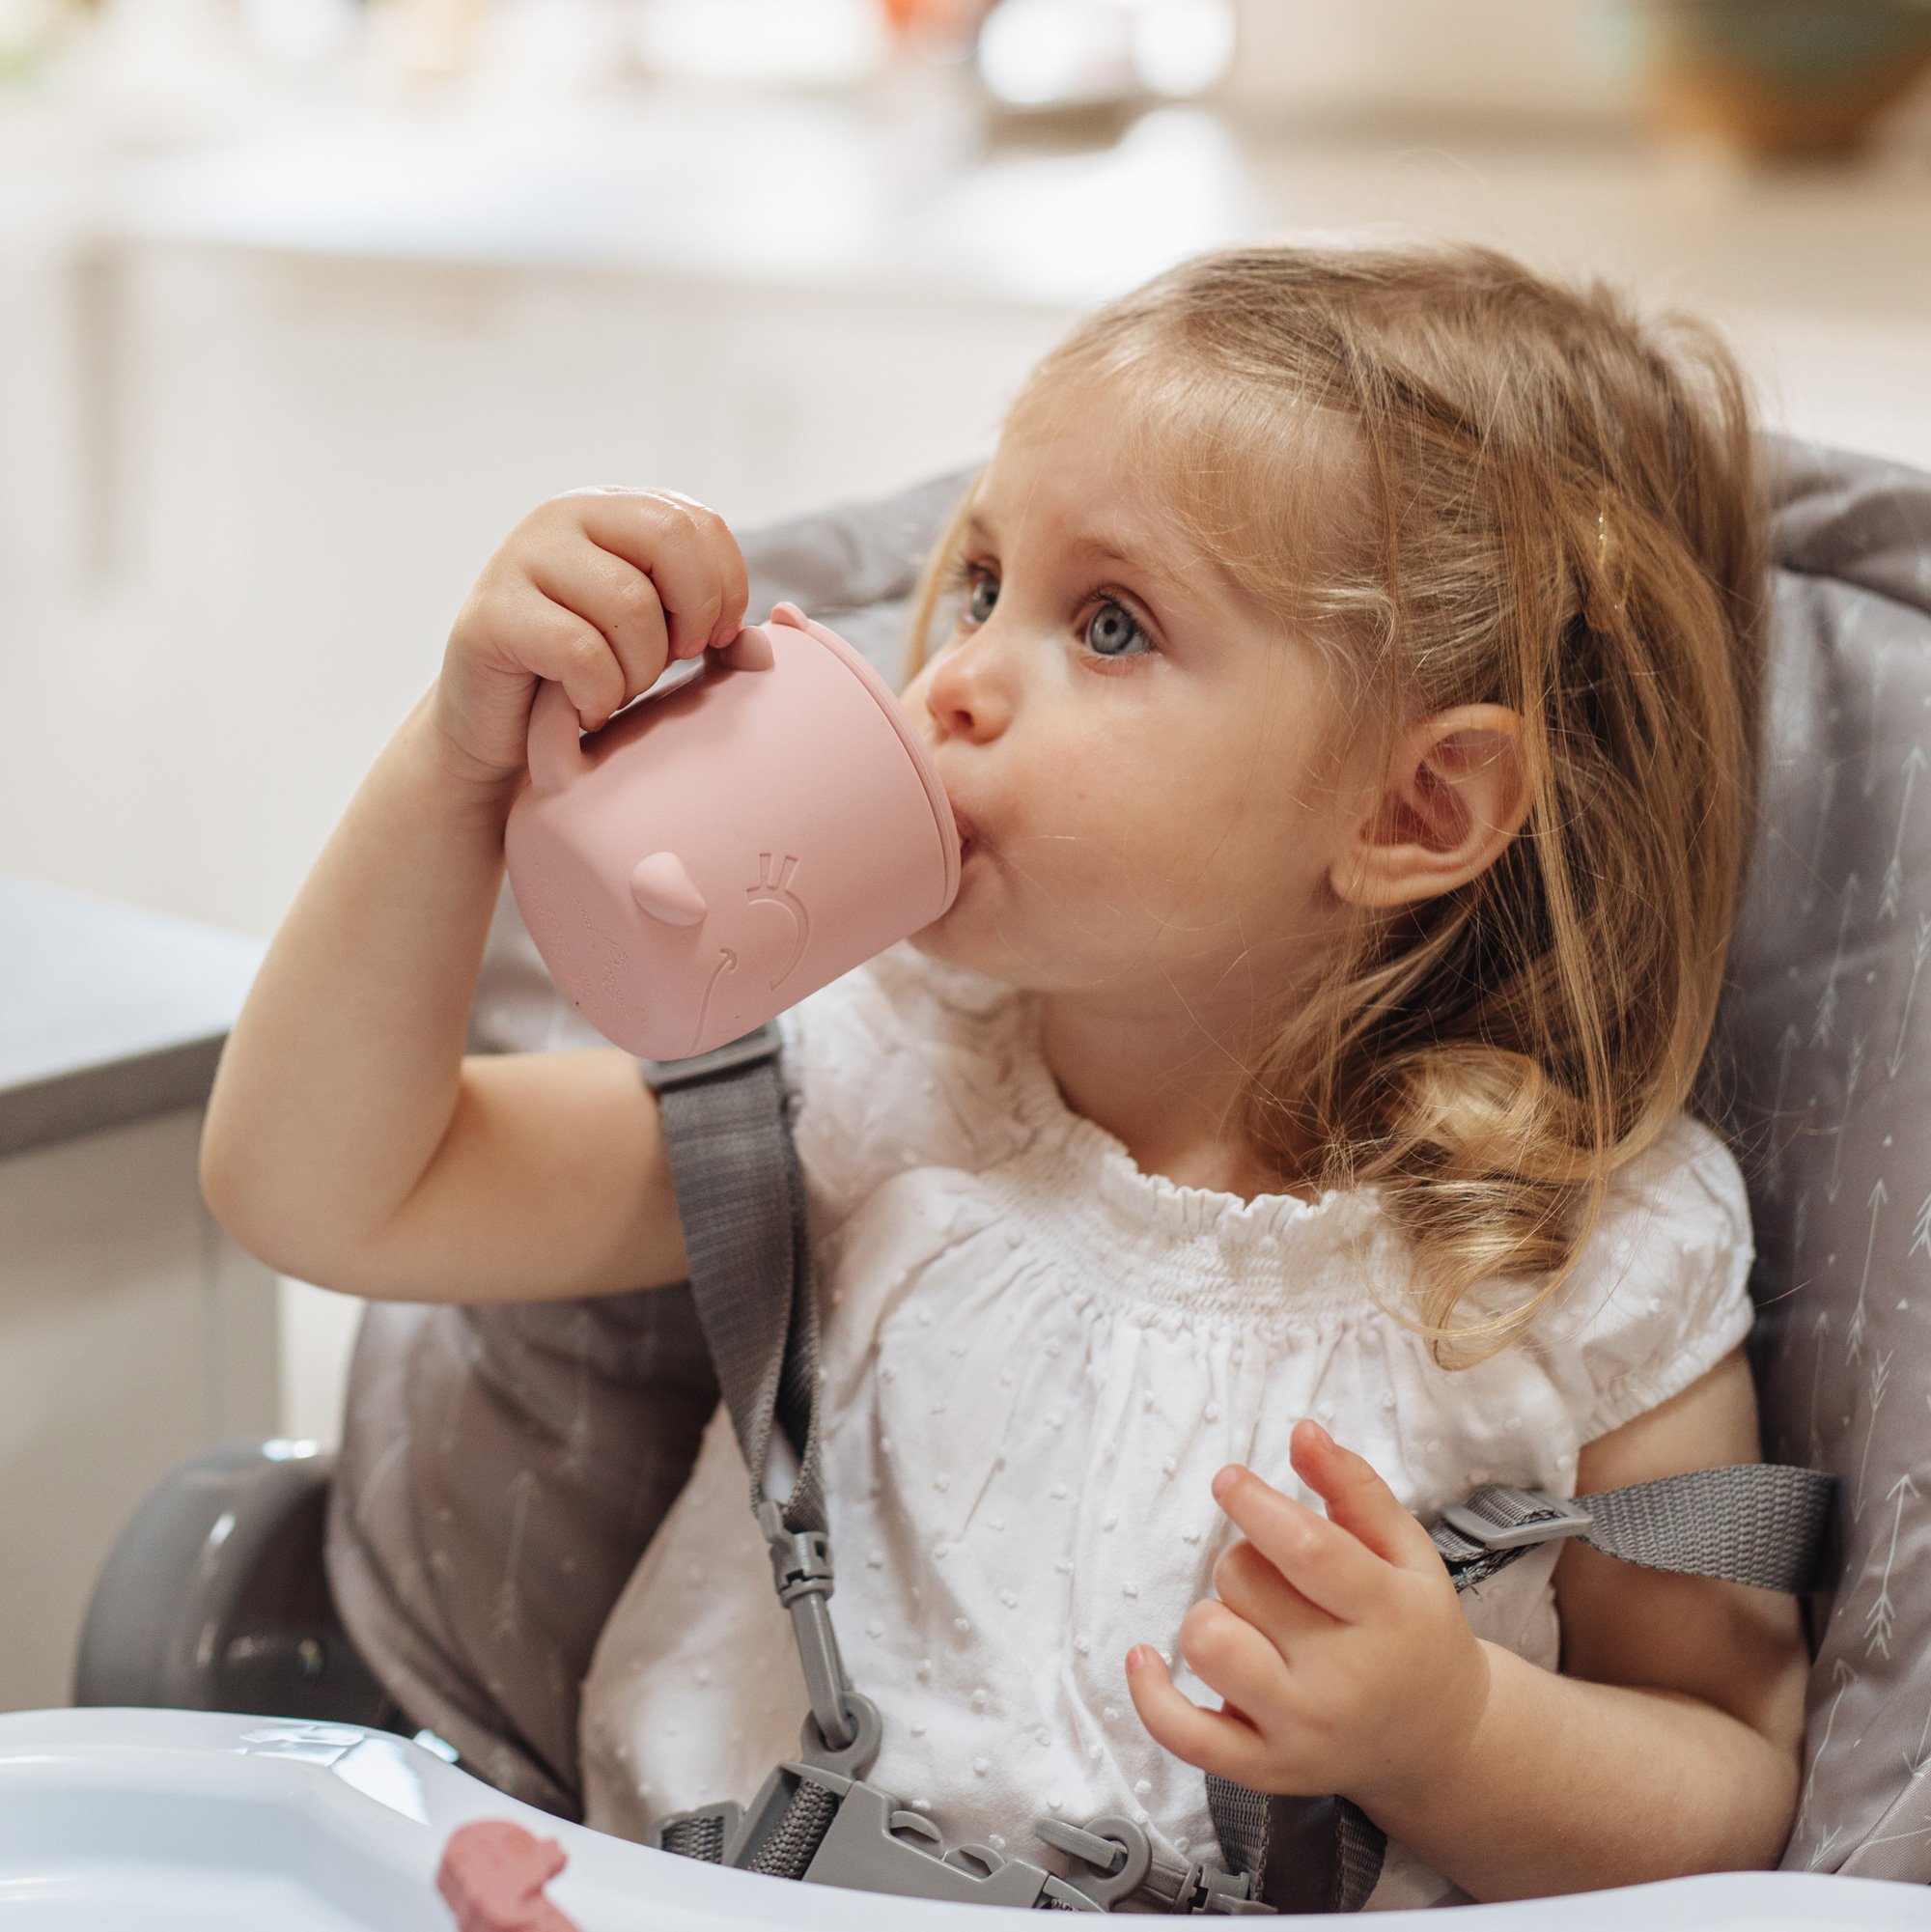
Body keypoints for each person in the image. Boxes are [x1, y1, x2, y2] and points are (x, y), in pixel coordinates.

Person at [200, 243, 1806, 1908]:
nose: (952, 676)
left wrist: (1451, 1732)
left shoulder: (1588, 1252)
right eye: (979, 581)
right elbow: (331, 1190)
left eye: (1108, 623)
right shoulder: (871, 1071)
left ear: (1415, 811)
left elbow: (1734, 1783)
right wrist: (456, 759)